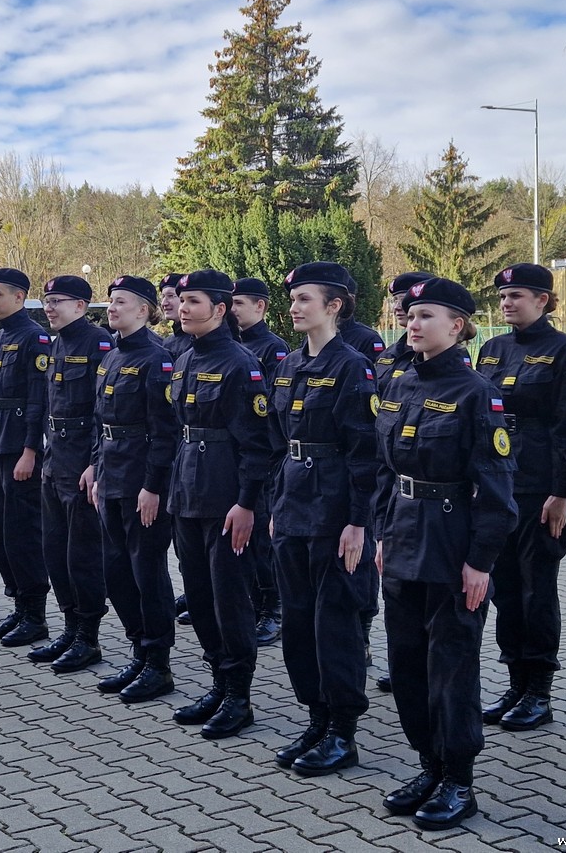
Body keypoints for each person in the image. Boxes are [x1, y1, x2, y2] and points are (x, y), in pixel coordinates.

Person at [373, 276, 516, 830]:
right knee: (406, 663)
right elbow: (386, 472)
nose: (413, 322)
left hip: (452, 540)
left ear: (457, 326)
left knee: (450, 667)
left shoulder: (477, 393)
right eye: (410, 315)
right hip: (404, 536)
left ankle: (459, 779)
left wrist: (480, 561)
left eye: (426, 315)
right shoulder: (402, 382)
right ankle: (428, 764)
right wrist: (383, 534)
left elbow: (499, 491)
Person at [267, 262, 379, 777]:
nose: (295, 306)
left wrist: (358, 522)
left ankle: (343, 730)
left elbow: (365, 452)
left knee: (333, 622)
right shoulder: (288, 364)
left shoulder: (353, 366)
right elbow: (276, 443)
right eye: (292, 298)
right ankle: (315, 717)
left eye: (306, 298)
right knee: (297, 623)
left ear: (334, 306)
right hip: (294, 504)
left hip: (335, 510)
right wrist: (275, 506)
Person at [475, 264, 566, 731]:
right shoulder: (492, 349)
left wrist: (562, 492)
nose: (507, 303)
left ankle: (539, 690)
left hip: (539, 486)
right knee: (505, 589)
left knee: (537, 589)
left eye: (517, 295)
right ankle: (515, 683)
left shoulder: (561, 349)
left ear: (543, 300)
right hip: (497, 485)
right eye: (502, 296)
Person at [168, 269, 272, 740]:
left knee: (229, 599)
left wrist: (247, 503)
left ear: (220, 309)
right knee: (200, 595)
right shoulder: (187, 356)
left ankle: (239, 696)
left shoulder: (240, 363)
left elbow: (259, 444)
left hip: (226, 497)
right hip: (188, 491)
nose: (184, 308)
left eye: (193, 301)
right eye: (181, 300)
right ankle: (217, 681)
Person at [88, 276, 178, 702]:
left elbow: (165, 432)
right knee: (116, 571)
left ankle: (158, 663)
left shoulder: (156, 359)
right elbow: (98, 419)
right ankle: (138, 650)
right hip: (110, 476)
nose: (112, 307)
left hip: (141, 481)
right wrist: (93, 466)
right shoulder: (109, 356)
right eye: (110, 301)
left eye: (121, 302)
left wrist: (153, 486)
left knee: (147, 572)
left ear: (144, 310)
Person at [30, 275, 113, 672]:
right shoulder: (56, 343)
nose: (49, 307)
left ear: (81, 306)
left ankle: (88, 637)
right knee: (55, 551)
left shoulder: (97, 343)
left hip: (81, 463)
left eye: (58, 301)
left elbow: (102, 413)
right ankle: (69, 626)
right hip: (54, 460)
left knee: (81, 555)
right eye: (46, 301)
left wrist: (95, 463)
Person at [369, 270, 434, 693]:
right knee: (400, 601)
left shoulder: (448, 369)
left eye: (408, 301)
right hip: (397, 499)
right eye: (396, 299)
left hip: (439, 503)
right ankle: (405, 666)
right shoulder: (389, 360)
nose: (400, 308)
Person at [0, 268, 51, 647]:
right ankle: (18, 607)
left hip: (18, 447)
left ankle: (35, 615)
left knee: (22, 532)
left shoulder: (32, 337)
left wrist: (30, 451)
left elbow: (38, 400)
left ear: (19, 297)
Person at [232, 277, 290, 647]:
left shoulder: (273, 348)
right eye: (231, 303)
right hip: (232, 457)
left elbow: (268, 411)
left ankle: (273, 609)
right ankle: (252, 604)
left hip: (264, 457)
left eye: (240, 303)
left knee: (261, 538)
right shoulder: (231, 346)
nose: (233, 309)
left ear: (260, 307)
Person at [158, 272, 192, 623]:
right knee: (181, 541)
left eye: (174, 295)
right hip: (173, 453)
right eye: (165, 295)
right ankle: (192, 591)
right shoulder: (166, 347)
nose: (169, 302)